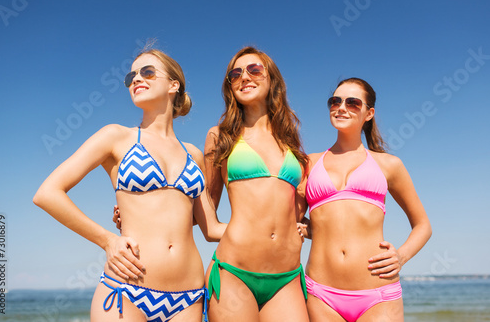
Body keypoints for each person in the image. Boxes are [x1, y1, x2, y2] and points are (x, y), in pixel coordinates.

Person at [33, 48, 226, 322]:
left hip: (190, 296)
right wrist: (108, 240)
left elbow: (212, 229)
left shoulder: (193, 154)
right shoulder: (116, 137)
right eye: (130, 76)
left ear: (174, 85)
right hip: (126, 290)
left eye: (147, 72)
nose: (136, 79)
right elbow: (47, 193)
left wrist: (286, 227)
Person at [301, 77, 432, 321]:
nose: (341, 107)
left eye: (352, 103)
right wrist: (312, 228)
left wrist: (400, 256)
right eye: (335, 101)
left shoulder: (389, 165)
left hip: (378, 295)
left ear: (368, 113)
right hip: (320, 293)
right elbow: (292, 220)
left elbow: (423, 225)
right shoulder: (309, 163)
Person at [203, 46, 310, 321]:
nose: (244, 77)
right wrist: (133, 213)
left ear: (271, 78)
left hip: (287, 277)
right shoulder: (221, 136)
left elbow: (301, 209)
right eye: (235, 73)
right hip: (235, 272)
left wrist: (310, 225)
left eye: (254, 70)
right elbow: (204, 202)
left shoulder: (291, 142)